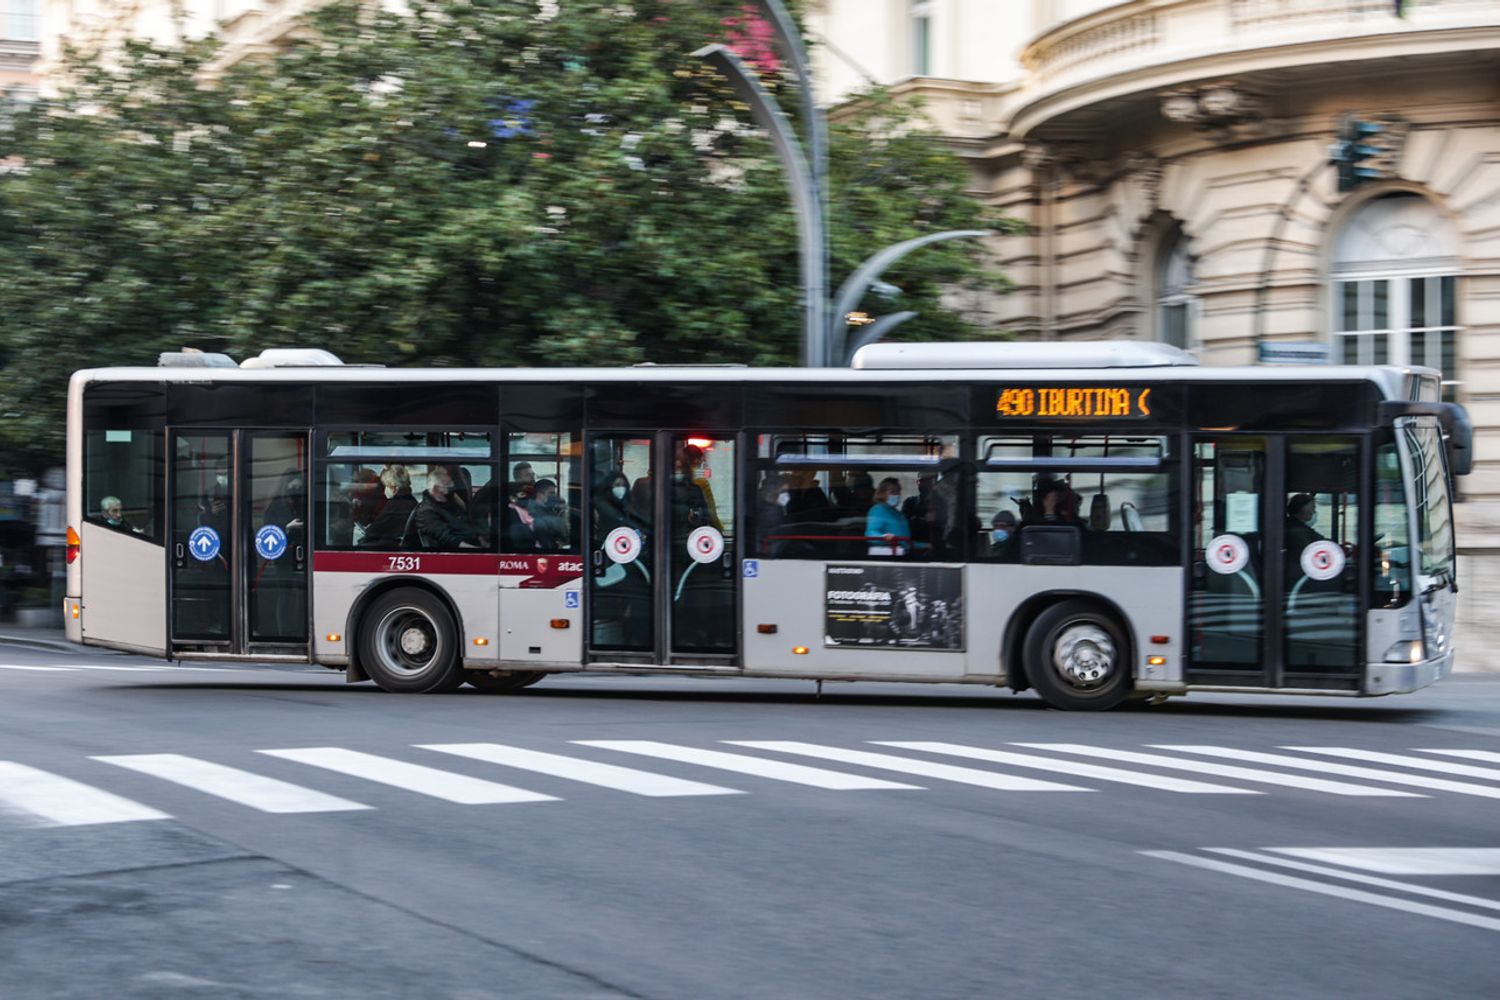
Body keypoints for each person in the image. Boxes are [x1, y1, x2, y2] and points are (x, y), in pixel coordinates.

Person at [415, 465, 487, 550]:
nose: (452, 486)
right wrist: (475, 550)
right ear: (436, 488)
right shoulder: (426, 512)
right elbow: (447, 539)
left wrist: (483, 543)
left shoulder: (450, 501)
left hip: (475, 541)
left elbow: (467, 522)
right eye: (448, 484)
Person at [360, 465, 416, 548]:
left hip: (391, 545)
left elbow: (373, 530)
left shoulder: (395, 505)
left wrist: (367, 530)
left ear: (393, 488)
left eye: (386, 486)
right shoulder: (411, 500)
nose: (385, 490)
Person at [866, 477, 911, 557]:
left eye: (898, 492)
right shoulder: (878, 510)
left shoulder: (898, 514)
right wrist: (883, 537)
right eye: (893, 492)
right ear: (881, 494)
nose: (897, 495)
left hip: (904, 553)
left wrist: (925, 545)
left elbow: (906, 541)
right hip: (887, 556)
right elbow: (870, 534)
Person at [529, 478, 569, 551]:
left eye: (554, 493)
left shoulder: (549, 509)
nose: (554, 496)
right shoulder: (533, 512)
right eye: (551, 493)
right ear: (539, 494)